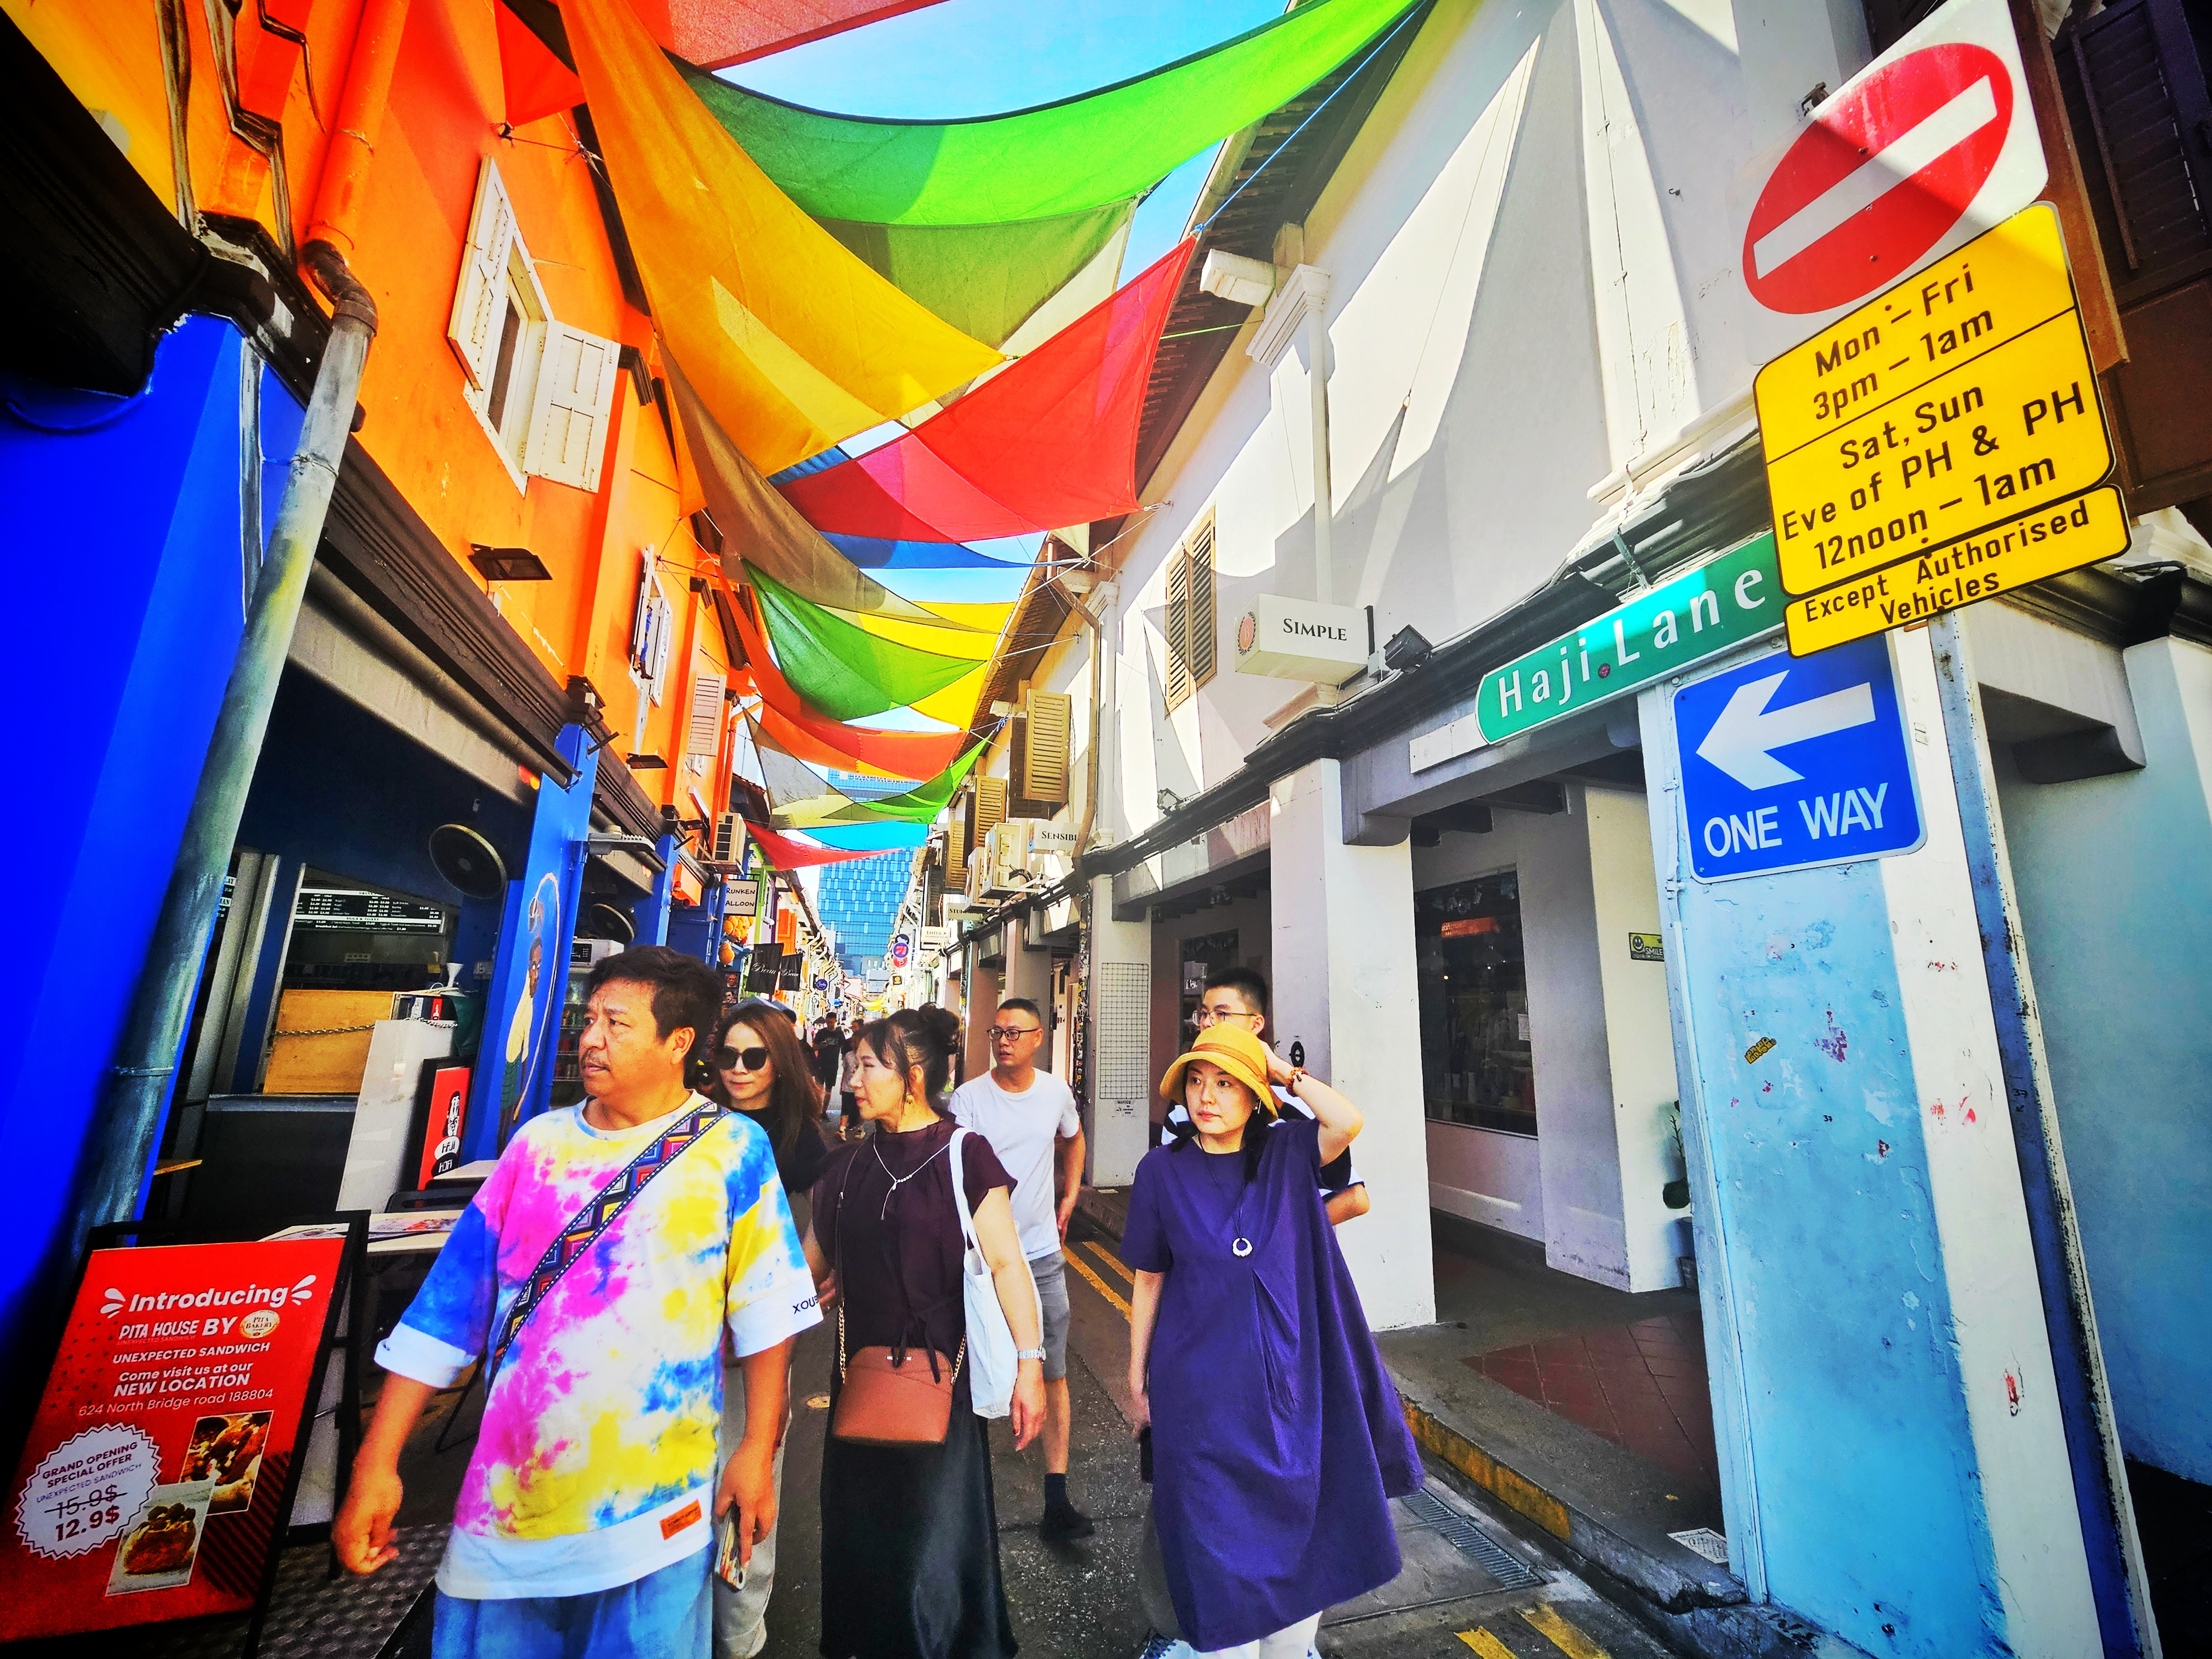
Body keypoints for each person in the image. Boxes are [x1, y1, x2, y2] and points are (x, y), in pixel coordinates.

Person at [333, 946, 821, 1659]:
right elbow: (444, 1316)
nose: (591, 1038)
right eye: (590, 1019)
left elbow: (767, 1313)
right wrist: (375, 1464)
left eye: (616, 1024)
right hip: (509, 1516)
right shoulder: (536, 1147)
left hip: (656, 1515)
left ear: (679, 1043)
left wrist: (756, 1449)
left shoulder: (734, 1151)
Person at [1125, 1023, 1420, 1659]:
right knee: (1214, 1562)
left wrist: (1282, 1072)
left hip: (1289, 1387)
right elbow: (1149, 1279)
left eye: (1226, 1083)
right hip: (1197, 1397)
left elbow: (1346, 1121)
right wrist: (1135, 1378)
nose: (1207, 1096)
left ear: (1254, 1097)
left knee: (1298, 1544)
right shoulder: (1160, 1171)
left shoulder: (1287, 1153)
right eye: (1196, 1081)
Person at [802, 1009, 1046, 1659]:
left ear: (913, 1076)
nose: (853, 1080)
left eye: (868, 1066)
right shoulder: (843, 1169)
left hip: (942, 1389)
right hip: (859, 1390)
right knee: (862, 1544)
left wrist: (1029, 1365)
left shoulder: (964, 1155)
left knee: (932, 1549)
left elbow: (1006, 1264)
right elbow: (803, 1275)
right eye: (852, 1065)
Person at [697, 999, 834, 1659]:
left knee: (747, 1486)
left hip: (755, 1348)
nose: (740, 1069)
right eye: (728, 1056)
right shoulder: (692, 1125)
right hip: (682, 1343)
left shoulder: (803, 1141)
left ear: (779, 1063)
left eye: (754, 1057)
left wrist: (794, 1294)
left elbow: (821, 1229)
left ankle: (739, 1636)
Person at [948, 998, 1091, 1540]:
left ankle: (1057, 1498)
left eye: (1014, 1032)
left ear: (1038, 1038)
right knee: (968, 1373)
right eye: (997, 1032)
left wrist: (1070, 1195)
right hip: (981, 1263)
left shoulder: (1055, 1093)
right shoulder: (969, 1099)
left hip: (1040, 1257)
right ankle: (962, 1501)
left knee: (1050, 1371)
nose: (1003, 1040)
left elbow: (1073, 1137)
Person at [1160, 968, 1369, 1226]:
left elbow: (1354, 1199)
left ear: (1256, 1024)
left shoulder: (1288, 1105)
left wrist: (1278, 1239)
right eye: (1204, 1014)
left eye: (1221, 1014)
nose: (1207, 1023)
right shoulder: (1185, 1108)